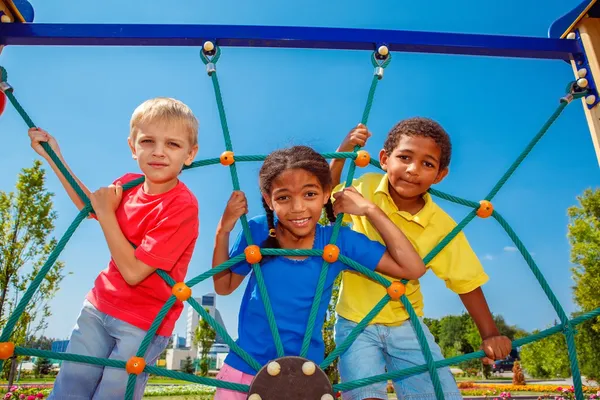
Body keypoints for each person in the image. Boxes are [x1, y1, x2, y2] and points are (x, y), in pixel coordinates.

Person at [211, 145, 426, 400]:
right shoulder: (258, 232)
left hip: (303, 377)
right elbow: (223, 286)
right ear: (268, 200)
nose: (298, 208)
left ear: (326, 194)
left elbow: (413, 268)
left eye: (310, 194)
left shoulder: (336, 243)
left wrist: (370, 210)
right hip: (244, 371)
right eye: (283, 198)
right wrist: (222, 231)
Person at [28, 97, 200, 400]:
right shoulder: (129, 184)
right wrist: (55, 157)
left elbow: (134, 272)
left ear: (190, 154)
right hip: (100, 306)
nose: (158, 151)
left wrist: (107, 213)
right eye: (148, 141)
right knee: (71, 386)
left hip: (144, 322)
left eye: (172, 144)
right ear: (133, 147)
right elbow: (91, 206)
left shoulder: (181, 206)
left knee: (114, 393)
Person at [330, 119, 512, 400]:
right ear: (384, 159)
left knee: (439, 394)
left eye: (427, 164)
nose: (413, 170)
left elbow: (466, 280)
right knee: (365, 395)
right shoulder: (364, 186)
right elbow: (325, 196)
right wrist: (344, 150)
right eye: (404, 157)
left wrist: (489, 333)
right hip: (355, 321)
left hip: (406, 321)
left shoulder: (440, 225)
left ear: (440, 175)